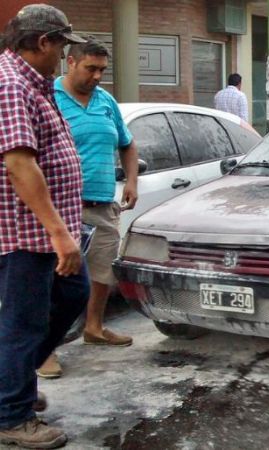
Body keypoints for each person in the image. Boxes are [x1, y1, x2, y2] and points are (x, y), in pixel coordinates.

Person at [0, 4, 90, 448]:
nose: (62, 56)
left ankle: (8, 386)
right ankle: (11, 417)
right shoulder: (11, 83)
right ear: (42, 43)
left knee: (73, 294)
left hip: (45, 233)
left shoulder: (34, 82)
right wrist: (58, 232)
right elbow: (19, 164)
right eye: (61, 47)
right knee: (23, 324)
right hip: (26, 234)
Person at [37, 39, 140, 379]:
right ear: (70, 62)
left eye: (102, 70)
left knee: (100, 274)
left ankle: (94, 328)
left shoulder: (105, 101)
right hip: (62, 208)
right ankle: (45, 349)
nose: (97, 76)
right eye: (90, 69)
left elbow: (127, 144)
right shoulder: (48, 96)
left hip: (102, 204)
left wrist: (131, 182)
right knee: (56, 283)